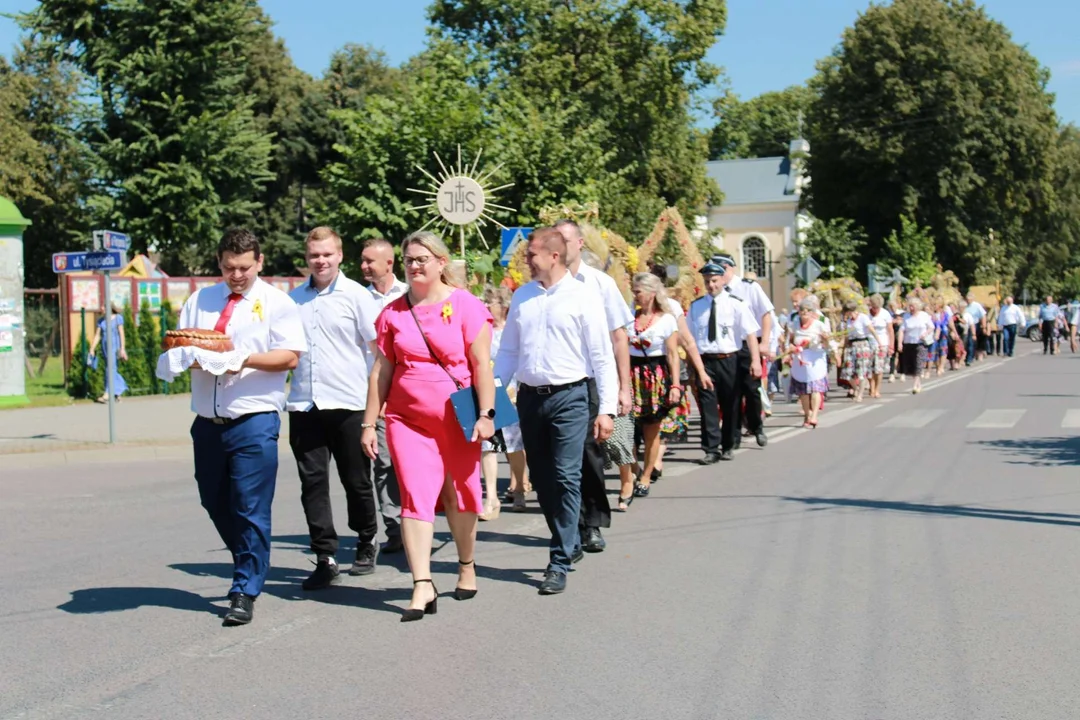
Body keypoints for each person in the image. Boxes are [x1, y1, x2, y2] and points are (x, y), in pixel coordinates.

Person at [360, 231, 495, 622]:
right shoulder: (392, 313)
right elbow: (381, 371)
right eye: (409, 259)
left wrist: (486, 415)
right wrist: (371, 422)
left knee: (460, 495)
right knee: (415, 498)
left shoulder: (467, 306)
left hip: (459, 416)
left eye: (422, 259)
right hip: (407, 420)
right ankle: (422, 583)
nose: (415, 265)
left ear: (440, 262)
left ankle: (466, 563)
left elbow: (481, 364)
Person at [181, 228, 307, 626]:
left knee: (250, 507)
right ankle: (250, 559)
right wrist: (189, 357)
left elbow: (289, 357)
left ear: (260, 262)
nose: (237, 275)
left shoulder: (277, 303)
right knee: (213, 499)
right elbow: (184, 344)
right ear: (219, 263)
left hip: (254, 419)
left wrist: (243, 359)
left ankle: (244, 589)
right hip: (207, 420)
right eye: (229, 267)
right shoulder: (200, 300)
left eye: (244, 268)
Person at [494, 227, 616, 596]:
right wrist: (492, 396)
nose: (526, 261)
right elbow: (509, 353)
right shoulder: (524, 297)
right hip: (531, 398)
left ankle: (558, 559)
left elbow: (601, 356)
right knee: (544, 480)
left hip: (571, 397)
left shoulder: (583, 297)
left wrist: (606, 409)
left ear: (553, 256)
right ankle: (569, 537)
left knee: (566, 476)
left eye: (531, 255)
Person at [287, 227, 383, 589]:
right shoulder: (293, 300)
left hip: (349, 403)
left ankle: (365, 539)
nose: (320, 261)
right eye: (314, 255)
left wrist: (376, 408)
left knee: (355, 481)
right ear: (307, 258)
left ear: (340, 256)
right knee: (312, 483)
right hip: (305, 405)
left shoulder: (357, 297)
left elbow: (377, 354)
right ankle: (325, 556)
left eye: (327, 254)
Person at [554, 220, 630, 554]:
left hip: (593, 381)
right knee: (559, 460)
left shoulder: (600, 283)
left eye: (566, 240)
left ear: (580, 243)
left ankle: (593, 523)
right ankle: (569, 526)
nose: (560, 246)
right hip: (557, 383)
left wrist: (623, 387)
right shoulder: (543, 285)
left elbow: (618, 337)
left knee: (589, 453)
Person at [360, 237, 408, 554]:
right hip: (373, 396)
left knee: (412, 464)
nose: (364, 266)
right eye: (362, 261)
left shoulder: (409, 295)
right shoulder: (357, 298)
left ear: (388, 263)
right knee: (384, 465)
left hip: (409, 394)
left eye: (370, 261)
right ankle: (395, 528)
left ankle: (417, 520)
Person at [688, 261, 759, 462]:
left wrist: (755, 361)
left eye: (714, 281)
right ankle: (711, 449)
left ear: (722, 280)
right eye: (707, 281)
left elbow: (750, 334)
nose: (711, 285)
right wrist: (694, 367)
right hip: (706, 362)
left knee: (731, 404)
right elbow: (689, 339)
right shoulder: (696, 307)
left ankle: (728, 444)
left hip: (729, 360)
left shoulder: (736, 304)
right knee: (707, 405)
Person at [626, 273, 683, 498]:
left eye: (638, 291)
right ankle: (633, 467)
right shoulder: (628, 317)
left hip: (654, 378)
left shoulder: (667, 319)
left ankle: (646, 476)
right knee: (625, 430)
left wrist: (675, 385)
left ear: (651, 293)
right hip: (631, 375)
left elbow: (672, 355)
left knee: (651, 430)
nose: (635, 295)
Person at [711, 254, 772, 448]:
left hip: (748, 345)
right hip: (728, 346)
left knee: (752, 390)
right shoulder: (716, 292)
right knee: (731, 392)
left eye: (722, 270)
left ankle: (757, 426)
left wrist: (765, 342)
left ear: (731, 268)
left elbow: (766, 313)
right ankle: (734, 435)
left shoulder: (749, 287)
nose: (719, 275)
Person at [479, 285, 528, 518]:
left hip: (510, 392)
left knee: (513, 445)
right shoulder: (481, 330)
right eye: (485, 302)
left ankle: (519, 487)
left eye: (492, 302)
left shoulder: (511, 329)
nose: (487, 306)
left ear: (504, 306)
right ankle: (491, 498)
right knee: (486, 445)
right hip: (485, 393)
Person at [787, 296, 830, 428]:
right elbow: (790, 340)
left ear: (812, 312)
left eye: (808, 311)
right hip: (800, 359)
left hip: (815, 359)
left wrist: (825, 339)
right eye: (802, 310)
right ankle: (807, 414)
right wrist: (791, 348)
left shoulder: (820, 323)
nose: (805, 313)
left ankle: (814, 415)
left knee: (815, 388)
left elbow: (826, 344)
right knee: (804, 391)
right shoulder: (794, 322)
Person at [839, 299, 881, 402]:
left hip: (862, 345)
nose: (846, 314)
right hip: (851, 346)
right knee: (847, 372)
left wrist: (878, 342)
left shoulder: (862, 317)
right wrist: (843, 348)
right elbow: (846, 336)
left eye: (847, 312)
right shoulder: (848, 321)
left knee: (862, 372)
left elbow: (871, 330)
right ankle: (856, 388)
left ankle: (860, 394)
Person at [88, 302, 128, 404]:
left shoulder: (117, 318)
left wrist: (122, 348)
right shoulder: (101, 321)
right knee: (111, 369)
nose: (101, 308)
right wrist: (92, 348)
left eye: (103, 306)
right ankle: (117, 392)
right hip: (105, 348)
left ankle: (107, 393)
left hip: (115, 347)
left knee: (110, 369)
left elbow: (121, 333)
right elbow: (98, 335)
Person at [898, 298, 934, 393]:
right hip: (908, 343)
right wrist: (900, 343)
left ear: (917, 307)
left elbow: (931, 327)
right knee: (912, 365)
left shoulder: (924, 315)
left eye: (913, 306)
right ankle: (918, 384)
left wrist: (925, 334)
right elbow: (902, 330)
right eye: (910, 306)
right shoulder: (906, 316)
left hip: (920, 343)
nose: (911, 308)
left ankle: (914, 386)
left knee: (918, 363)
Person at [867, 294, 893, 398]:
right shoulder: (866, 314)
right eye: (873, 307)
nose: (875, 309)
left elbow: (890, 330)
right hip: (868, 343)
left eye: (877, 307)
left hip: (882, 344)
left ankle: (877, 389)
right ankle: (871, 387)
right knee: (869, 368)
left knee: (879, 369)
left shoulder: (885, 314)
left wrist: (891, 346)